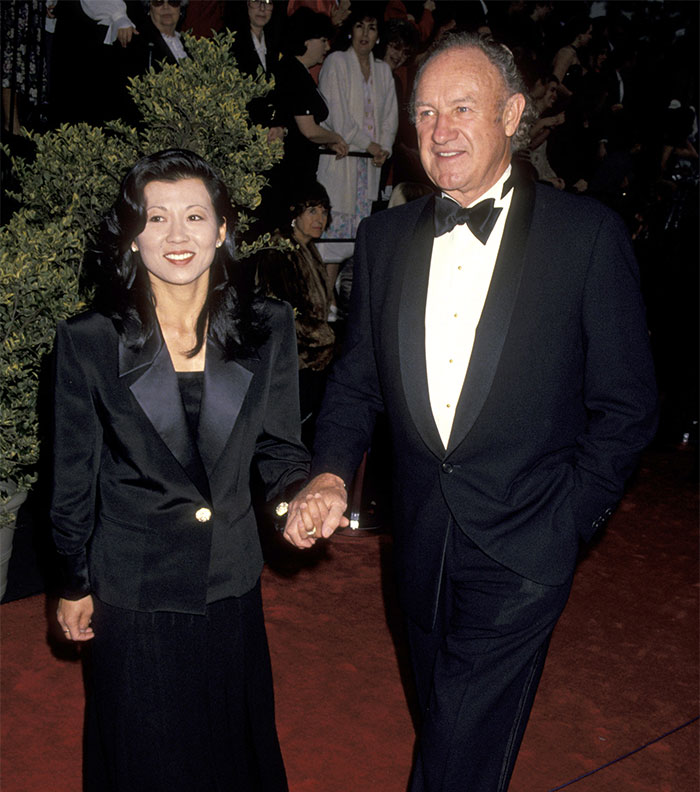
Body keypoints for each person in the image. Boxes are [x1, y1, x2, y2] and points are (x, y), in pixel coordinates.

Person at [283, 32, 658, 792]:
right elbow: (356, 383)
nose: (440, 130)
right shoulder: (385, 239)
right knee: (445, 722)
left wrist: (569, 521)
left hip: (526, 542)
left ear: (512, 115)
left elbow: (627, 407)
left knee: (456, 746)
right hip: (420, 539)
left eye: (461, 108)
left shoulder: (586, 237)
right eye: (424, 113)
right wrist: (329, 473)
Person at [51, 149, 309, 792]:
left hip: (229, 578)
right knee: (145, 759)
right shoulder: (89, 340)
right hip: (134, 585)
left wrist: (296, 500)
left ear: (221, 230)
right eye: (156, 217)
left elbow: (279, 450)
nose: (177, 235)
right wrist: (73, 581)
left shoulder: (268, 326)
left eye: (194, 216)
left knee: (231, 754)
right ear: (132, 236)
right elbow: (73, 477)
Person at [257, 180, 336, 447]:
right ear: (295, 213)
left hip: (312, 361)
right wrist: (328, 337)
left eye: (324, 211)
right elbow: (283, 313)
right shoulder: (279, 251)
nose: (320, 219)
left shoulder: (308, 248)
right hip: (290, 363)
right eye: (312, 211)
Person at [315, 7, 398, 262]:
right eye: (360, 26)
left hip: (369, 168)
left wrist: (383, 148)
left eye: (372, 28)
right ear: (351, 30)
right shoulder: (336, 62)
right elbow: (337, 116)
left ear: (378, 36)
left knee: (357, 242)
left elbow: (390, 118)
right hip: (342, 160)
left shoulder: (383, 71)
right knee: (330, 243)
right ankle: (324, 288)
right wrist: (368, 144)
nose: (365, 34)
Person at [273, 7, 348, 216]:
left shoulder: (299, 71)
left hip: (298, 168)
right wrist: (336, 137)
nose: (327, 46)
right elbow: (308, 130)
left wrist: (328, 141)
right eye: (323, 40)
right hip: (291, 170)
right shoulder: (293, 72)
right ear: (307, 41)